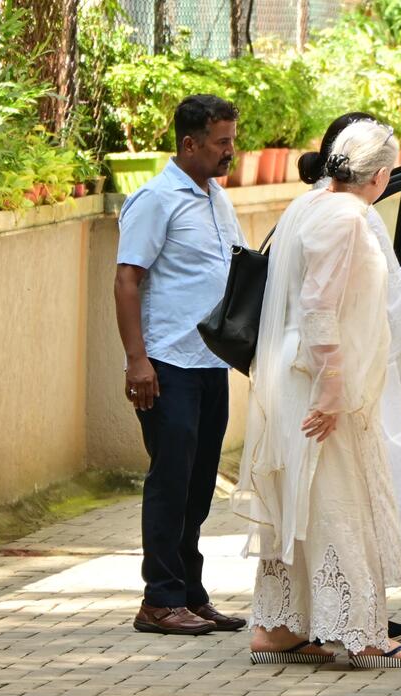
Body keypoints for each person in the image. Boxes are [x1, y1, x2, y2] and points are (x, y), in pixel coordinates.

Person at [232, 117, 401, 668]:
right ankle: (362, 633)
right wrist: (333, 386)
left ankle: (279, 628)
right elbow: (319, 308)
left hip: (293, 373)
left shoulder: (307, 206)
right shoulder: (349, 218)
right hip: (318, 378)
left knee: (302, 500)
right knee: (341, 498)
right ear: (382, 174)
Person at [115, 94, 248, 636]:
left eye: (233, 141)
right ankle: (159, 599)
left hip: (209, 363)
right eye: (222, 143)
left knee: (198, 485)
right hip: (166, 363)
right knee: (170, 481)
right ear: (189, 143)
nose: (231, 153)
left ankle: (190, 594)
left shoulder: (216, 197)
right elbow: (127, 279)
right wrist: (136, 360)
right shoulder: (155, 200)